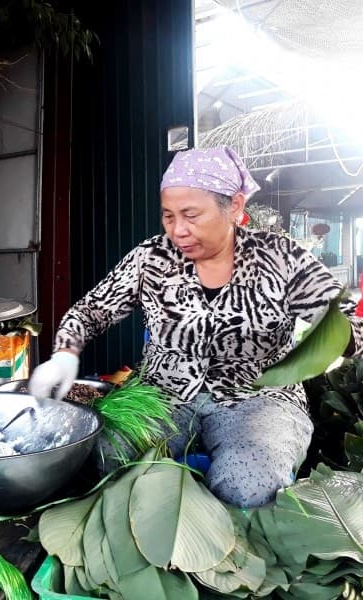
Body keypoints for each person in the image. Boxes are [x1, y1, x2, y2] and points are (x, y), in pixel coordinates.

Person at [28, 146, 363, 508]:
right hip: (162, 393)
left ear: (234, 206)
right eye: (168, 216)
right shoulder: (151, 258)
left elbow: (350, 327)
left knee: (249, 484)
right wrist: (65, 353)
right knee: (104, 459)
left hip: (259, 398)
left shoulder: (283, 258)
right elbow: (93, 309)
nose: (178, 230)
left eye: (191, 215)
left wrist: (332, 336)